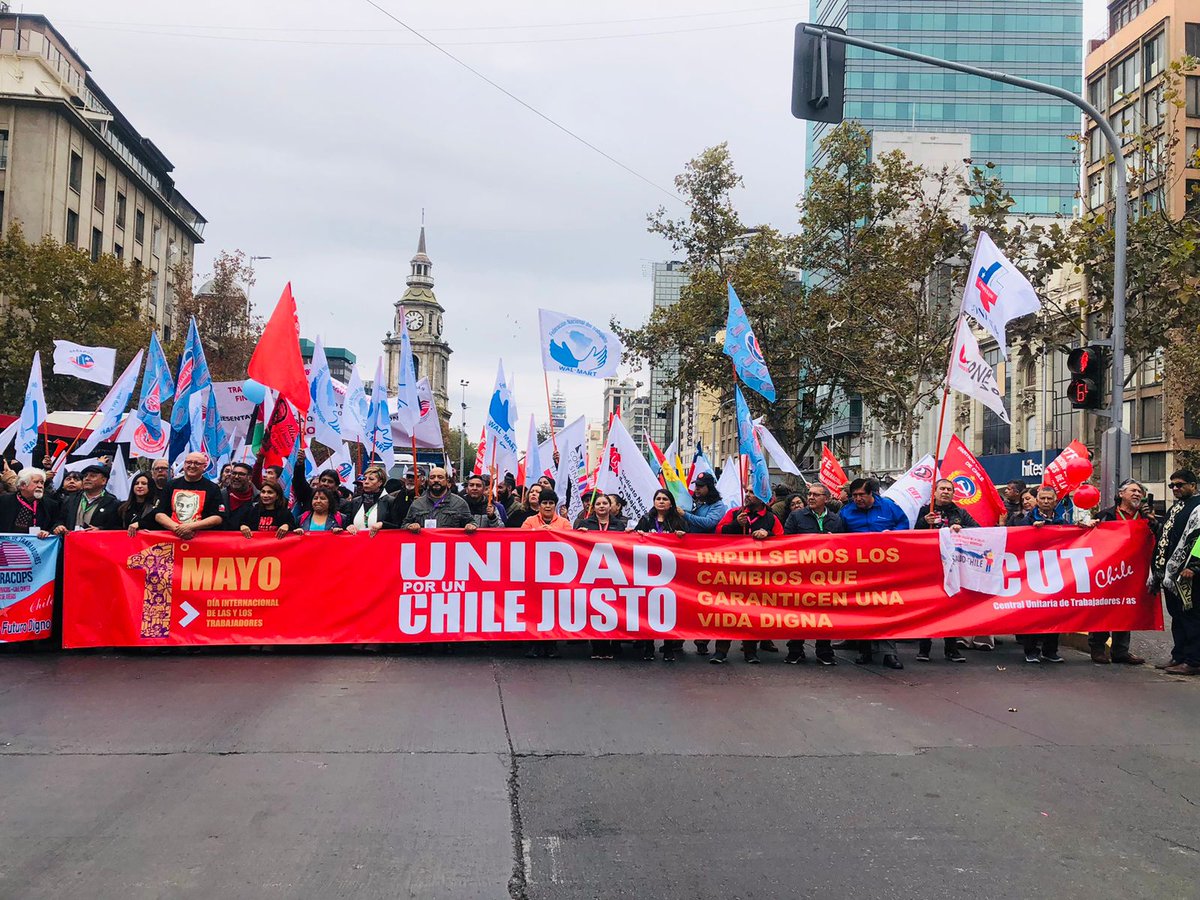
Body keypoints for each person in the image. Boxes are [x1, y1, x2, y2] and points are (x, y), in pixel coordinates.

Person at [840, 477, 909, 670]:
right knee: (861, 610)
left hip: (885, 570)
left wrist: (893, 534)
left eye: (862, 495)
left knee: (886, 608)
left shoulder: (889, 507)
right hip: (859, 571)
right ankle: (865, 650)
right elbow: (839, 537)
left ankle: (889, 653)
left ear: (872, 494)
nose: (858, 499)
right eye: (854, 496)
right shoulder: (846, 512)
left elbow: (904, 525)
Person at [711, 490, 783, 665]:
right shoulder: (734, 513)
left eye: (753, 492)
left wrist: (769, 535)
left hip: (757, 574)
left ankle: (750, 651)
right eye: (748, 491)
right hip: (732, 572)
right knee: (728, 612)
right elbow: (718, 532)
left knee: (752, 613)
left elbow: (783, 541)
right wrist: (736, 524)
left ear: (763, 497)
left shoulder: (771, 519)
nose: (748, 494)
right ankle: (720, 651)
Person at [1088, 479, 1155, 665]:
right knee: (1103, 608)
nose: (1137, 494)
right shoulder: (1105, 516)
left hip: (1133, 572)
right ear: (1121, 494)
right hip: (1107, 571)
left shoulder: (1145, 517)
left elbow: (1157, 538)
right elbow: (1088, 539)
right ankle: (1098, 648)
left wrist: (1153, 522)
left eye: (1140, 492)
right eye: (1133, 490)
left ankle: (1121, 651)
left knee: (1126, 608)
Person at [914, 478, 977, 663]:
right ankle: (924, 649)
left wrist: (961, 529)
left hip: (953, 567)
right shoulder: (926, 511)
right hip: (929, 565)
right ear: (934, 492)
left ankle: (952, 649)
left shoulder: (960, 512)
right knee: (927, 607)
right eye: (942, 488)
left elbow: (978, 530)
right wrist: (924, 522)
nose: (946, 492)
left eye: (949, 489)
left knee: (951, 608)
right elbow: (913, 534)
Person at [782, 482, 845, 665]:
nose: (810, 497)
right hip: (801, 575)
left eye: (816, 495)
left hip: (825, 576)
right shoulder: (796, 517)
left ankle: (824, 650)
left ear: (826, 498)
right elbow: (786, 542)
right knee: (798, 613)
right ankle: (795, 649)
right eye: (809, 494)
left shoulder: (836, 520)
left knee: (824, 614)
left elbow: (844, 546)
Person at [1016, 486, 1070, 663]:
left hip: (1055, 572)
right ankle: (1031, 650)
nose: (1046, 501)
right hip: (1032, 572)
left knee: (1055, 611)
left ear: (1055, 501)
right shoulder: (1026, 520)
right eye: (1043, 498)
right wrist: (1030, 529)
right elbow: (1015, 537)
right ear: (1037, 500)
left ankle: (1050, 651)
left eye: (1049, 499)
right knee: (1033, 613)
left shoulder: (1062, 520)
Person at [1154, 470, 1200, 675]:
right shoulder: (1177, 507)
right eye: (1172, 485)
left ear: (1193, 485)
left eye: (1180, 485)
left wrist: (1195, 566)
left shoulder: (1198, 507)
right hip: (1172, 575)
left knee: (1192, 617)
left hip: (1189, 575)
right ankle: (1179, 656)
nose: (1175, 489)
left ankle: (1194, 661)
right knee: (1177, 617)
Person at [578, 493, 629, 660]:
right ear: (594, 507)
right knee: (594, 609)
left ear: (610, 506)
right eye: (598, 503)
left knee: (613, 608)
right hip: (592, 572)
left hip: (614, 573)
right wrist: (579, 534)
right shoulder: (586, 524)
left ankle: (612, 645)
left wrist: (632, 535)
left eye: (604, 503)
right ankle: (597, 647)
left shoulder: (619, 526)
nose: (601, 506)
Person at [683, 473, 727, 656]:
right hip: (689, 555)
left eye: (701, 486)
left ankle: (703, 638)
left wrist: (685, 515)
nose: (697, 489)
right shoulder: (696, 503)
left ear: (709, 487)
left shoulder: (718, 506)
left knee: (706, 600)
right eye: (696, 486)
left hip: (707, 558)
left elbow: (709, 523)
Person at [154, 451, 226, 538]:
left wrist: (191, 527)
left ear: (204, 467)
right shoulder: (171, 485)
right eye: (189, 462)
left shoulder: (213, 488)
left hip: (201, 540)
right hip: (172, 538)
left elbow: (218, 517)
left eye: (197, 463)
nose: (192, 466)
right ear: (184, 465)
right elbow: (159, 514)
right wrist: (178, 529)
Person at [54, 463, 121, 533]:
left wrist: (100, 530)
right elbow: (59, 520)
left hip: (96, 542)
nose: (87, 478)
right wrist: (59, 526)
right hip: (71, 542)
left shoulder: (113, 503)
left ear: (104, 481)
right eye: (85, 476)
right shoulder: (70, 499)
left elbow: (117, 528)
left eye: (92, 476)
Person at [405, 467, 474, 532]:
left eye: (440, 477)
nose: (436, 480)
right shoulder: (417, 504)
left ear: (447, 481)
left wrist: (471, 526)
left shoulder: (459, 503)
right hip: (424, 544)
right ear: (428, 481)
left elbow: (471, 522)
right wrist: (409, 526)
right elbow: (404, 525)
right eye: (432, 477)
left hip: (449, 544)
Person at [344, 465, 404, 535]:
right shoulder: (355, 502)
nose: (366, 482)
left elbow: (398, 525)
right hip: (358, 544)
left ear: (380, 482)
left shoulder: (391, 501)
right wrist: (349, 526)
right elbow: (347, 523)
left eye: (371, 479)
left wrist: (382, 524)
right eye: (364, 479)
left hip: (381, 543)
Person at [0, 468, 59, 535]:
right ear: (22, 485)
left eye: (42, 483)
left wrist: (49, 532)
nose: (40, 486)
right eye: (36, 482)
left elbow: (56, 524)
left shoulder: (51, 505)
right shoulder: (3, 501)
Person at [117, 472, 160, 536]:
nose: (139, 486)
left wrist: (141, 525)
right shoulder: (123, 507)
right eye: (136, 483)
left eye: (144, 484)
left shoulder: (156, 507)